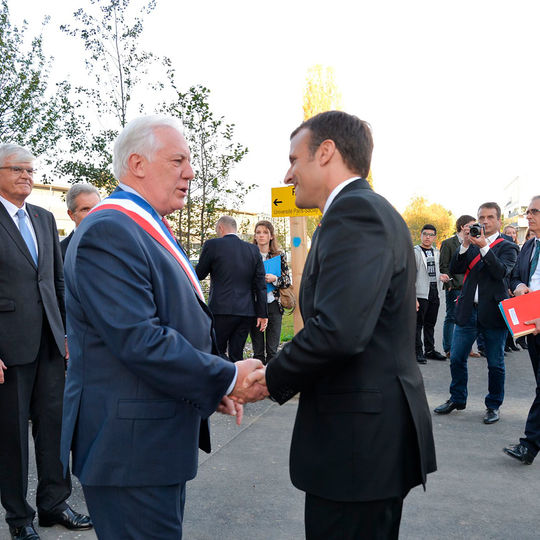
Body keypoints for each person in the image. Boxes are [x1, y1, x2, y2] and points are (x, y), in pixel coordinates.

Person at [60, 116, 267, 539]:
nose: (190, 172)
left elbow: (176, 323)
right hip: (131, 451)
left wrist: (209, 388)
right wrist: (227, 376)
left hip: (148, 443)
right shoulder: (111, 231)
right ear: (137, 163)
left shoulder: (139, 227)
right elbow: (140, 340)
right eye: (178, 160)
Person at [242, 111, 436, 540]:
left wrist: (268, 377)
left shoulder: (355, 215)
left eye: (295, 158)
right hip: (366, 442)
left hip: (359, 447)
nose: (288, 173)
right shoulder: (361, 211)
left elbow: (338, 331)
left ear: (326, 152)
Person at [0, 144, 92, 540]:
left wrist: (65, 332)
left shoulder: (42, 217)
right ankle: (19, 519)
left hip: (51, 344)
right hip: (9, 347)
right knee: (13, 435)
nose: (27, 175)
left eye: (31, 169)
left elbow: (55, 282)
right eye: (18, 169)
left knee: (55, 427)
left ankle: (54, 504)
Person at [434, 202, 519, 424]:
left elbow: (501, 271)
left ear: (498, 220)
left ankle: (493, 406)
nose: (485, 221)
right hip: (468, 311)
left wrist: (483, 247)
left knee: (495, 363)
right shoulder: (470, 241)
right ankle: (457, 398)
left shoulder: (508, 245)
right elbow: (455, 268)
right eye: (481, 217)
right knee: (457, 357)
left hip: (493, 312)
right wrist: (464, 244)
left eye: (490, 217)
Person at [196, 216, 268, 362]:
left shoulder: (212, 245)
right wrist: (262, 314)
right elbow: (260, 285)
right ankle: (239, 382)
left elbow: (199, 274)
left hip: (221, 310)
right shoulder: (253, 250)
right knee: (237, 355)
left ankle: (221, 383)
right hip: (246, 312)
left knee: (217, 351)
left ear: (221, 228)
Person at [504, 196, 540, 464]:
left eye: (534, 212)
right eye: (528, 212)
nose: (529, 216)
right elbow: (515, 276)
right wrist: (518, 287)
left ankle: (529, 445)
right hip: (531, 326)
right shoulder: (529, 245)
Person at [249, 220, 291, 364]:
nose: (261, 235)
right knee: (258, 351)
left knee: (272, 350)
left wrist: (275, 279)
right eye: (258, 232)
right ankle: (258, 382)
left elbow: (287, 281)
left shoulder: (279, 256)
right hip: (255, 306)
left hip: (274, 304)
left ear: (271, 236)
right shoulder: (250, 255)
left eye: (265, 232)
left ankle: (271, 382)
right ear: (254, 236)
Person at [414, 224, 448, 363]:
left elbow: (435, 271)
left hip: (434, 292)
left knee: (430, 324)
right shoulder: (414, 251)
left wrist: (442, 277)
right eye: (425, 234)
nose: (428, 237)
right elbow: (410, 274)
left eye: (431, 235)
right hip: (420, 293)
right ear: (421, 235)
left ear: (434, 237)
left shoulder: (436, 252)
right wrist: (413, 297)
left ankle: (429, 350)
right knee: (418, 324)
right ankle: (417, 351)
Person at [60, 183, 101, 259]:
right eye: (85, 209)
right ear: (71, 214)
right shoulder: (59, 253)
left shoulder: (113, 244)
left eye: (96, 208)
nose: (93, 214)